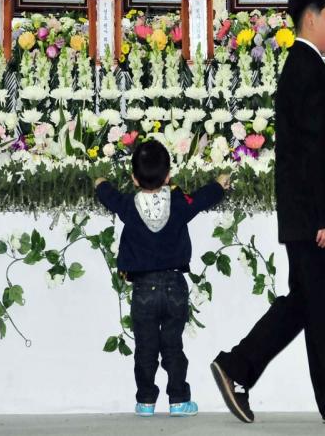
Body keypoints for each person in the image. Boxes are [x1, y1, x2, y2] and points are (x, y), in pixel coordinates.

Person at [210, 0, 325, 425]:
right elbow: (308, 154)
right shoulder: (305, 68)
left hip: (308, 217)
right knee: (318, 307)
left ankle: (239, 367)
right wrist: (323, 217)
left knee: (307, 303)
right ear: (310, 18)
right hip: (313, 219)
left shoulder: (305, 67)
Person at [95, 139, 230, 418]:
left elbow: (109, 197)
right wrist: (219, 183)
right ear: (168, 176)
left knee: (145, 347)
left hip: (143, 288)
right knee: (172, 345)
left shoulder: (129, 206)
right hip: (174, 287)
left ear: (133, 178)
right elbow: (203, 199)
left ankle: (145, 400)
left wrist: (100, 183)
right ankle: (179, 399)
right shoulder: (179, 203)